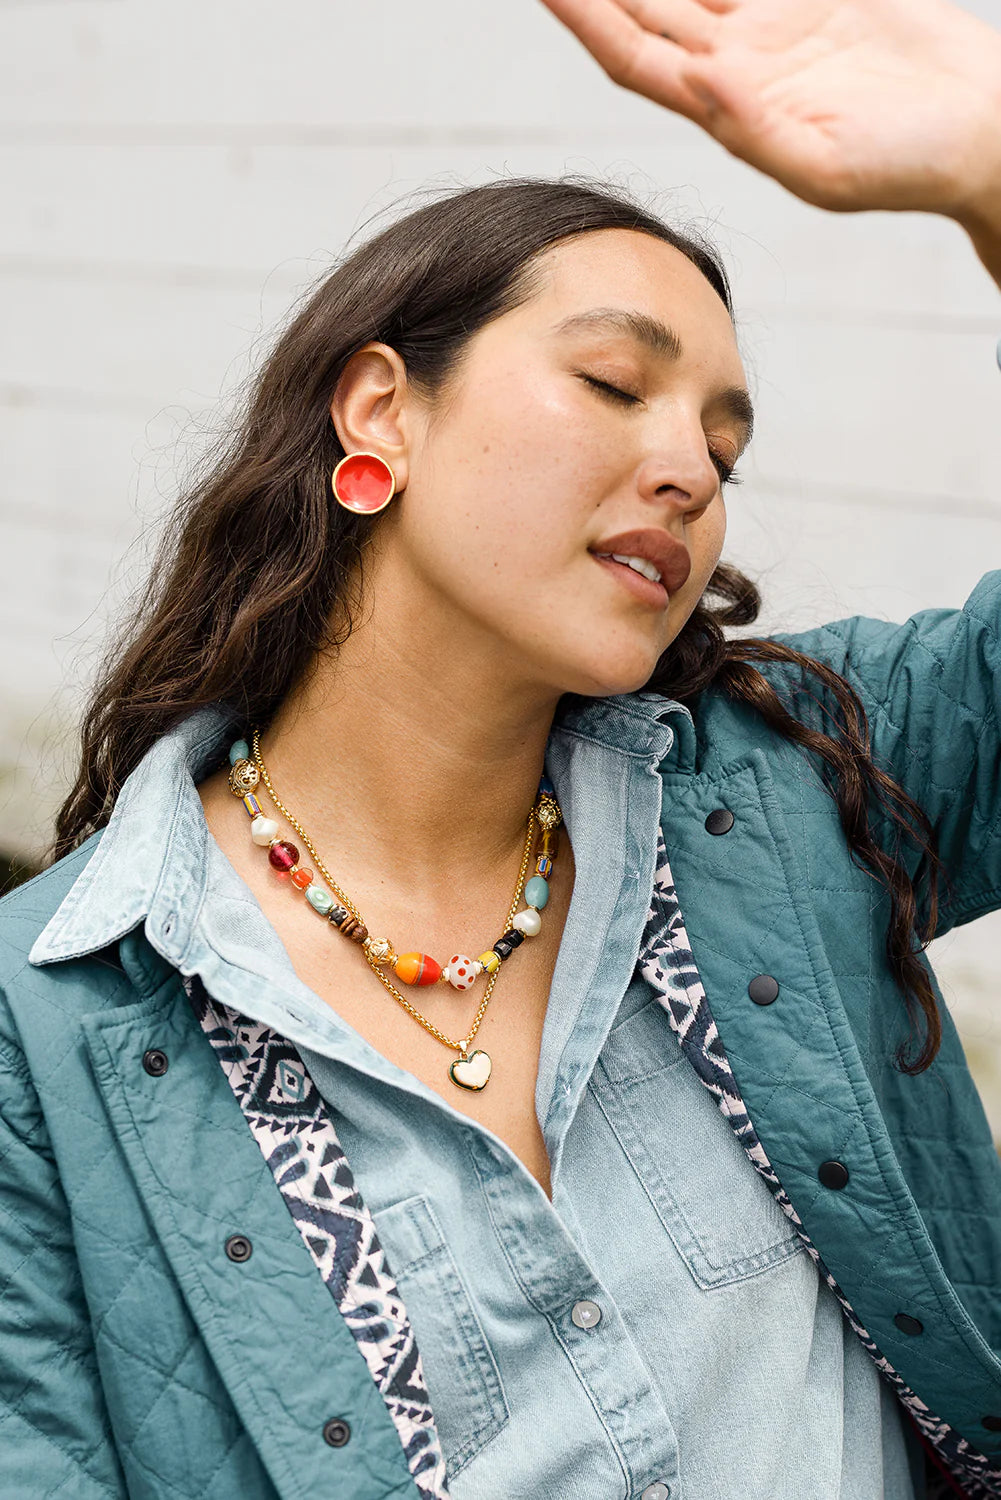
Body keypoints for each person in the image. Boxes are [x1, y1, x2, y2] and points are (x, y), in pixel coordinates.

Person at [1, 0, 1000, 1495]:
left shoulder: (806, 775)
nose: (687, 468)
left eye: (723, 447)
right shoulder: (48, 1028)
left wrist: (993, 168)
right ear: (379, 413)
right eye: (613, 384)